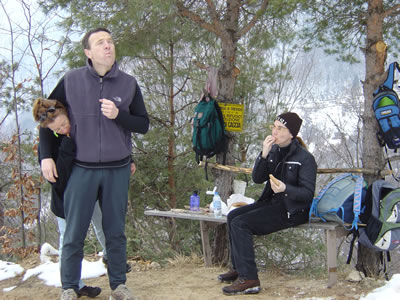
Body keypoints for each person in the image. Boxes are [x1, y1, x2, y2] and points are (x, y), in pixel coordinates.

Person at [38, 28, 149, 300]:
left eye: (110, 41)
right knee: (74, 232)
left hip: (117, 169)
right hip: (81, 168)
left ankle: (119, 286)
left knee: (115, 231)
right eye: (100, 43)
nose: (108, 46)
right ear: (88, 52)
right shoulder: (71, 80)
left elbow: (143, 124)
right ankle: (68, 288)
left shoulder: (128, 83)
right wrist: (46, 156)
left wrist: (119, 115)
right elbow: (44, 116)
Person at [218, 112, 317, 296]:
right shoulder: (273, 150)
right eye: (274, 127)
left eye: (280, 128)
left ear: (291, 133)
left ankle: (250, 280)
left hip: (292, 210)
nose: (275, 131)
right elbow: (257, 178)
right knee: (233, 216)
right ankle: (239, 268)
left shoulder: (305, 158)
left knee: (241, 223)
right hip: (272, 203)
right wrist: (263, 155)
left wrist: (285, 188)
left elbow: (307, 194)